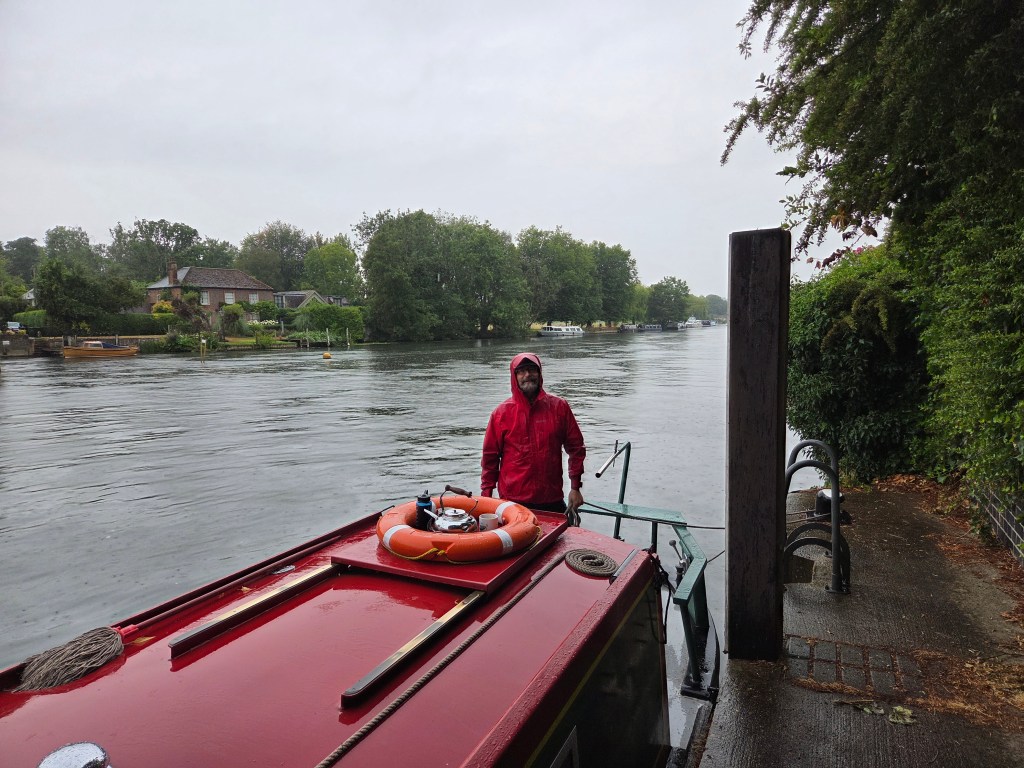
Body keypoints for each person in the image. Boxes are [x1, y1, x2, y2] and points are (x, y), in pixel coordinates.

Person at [481, 352, 585, 517]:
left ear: (540, 373)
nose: (527, 375)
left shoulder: (560, 407)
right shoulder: (501, 414)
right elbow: (490, 459)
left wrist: (575, 487)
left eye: (532, 370)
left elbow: (576, 448)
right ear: (514, 377)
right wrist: (486, 496)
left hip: (551, 498)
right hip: (513, 502)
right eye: (521, 371)